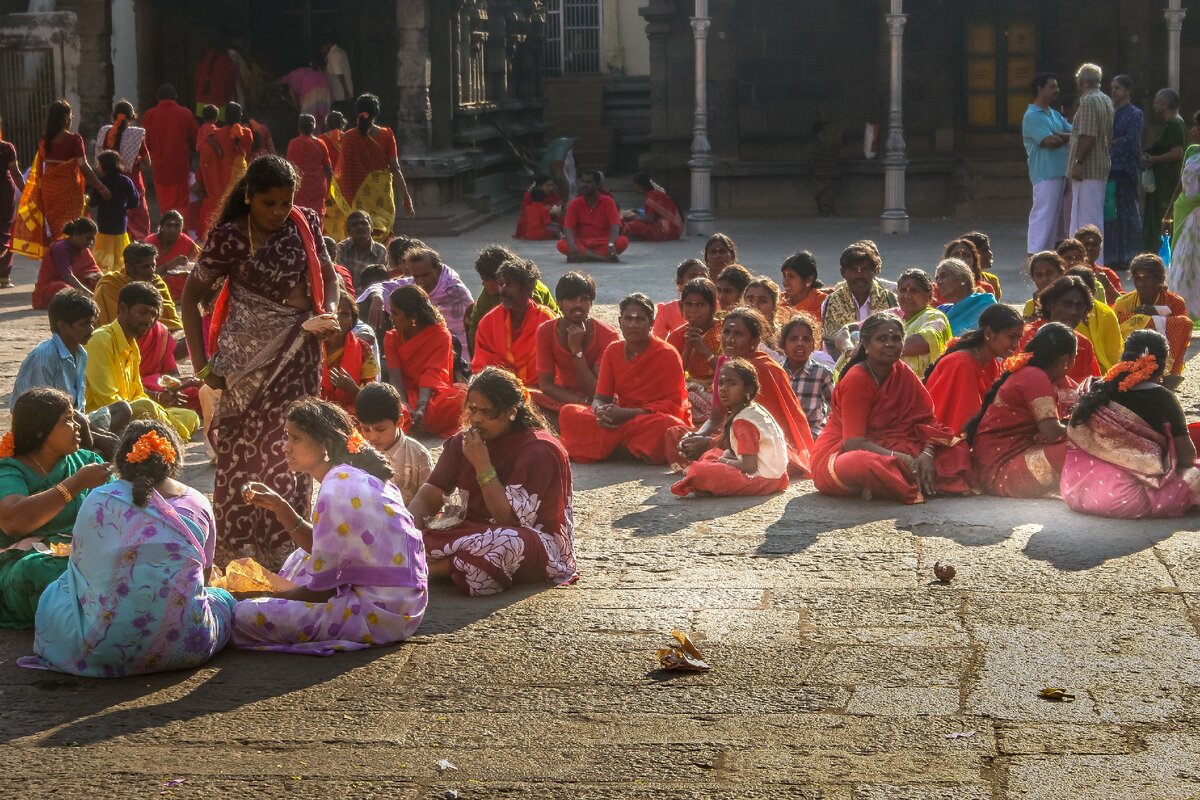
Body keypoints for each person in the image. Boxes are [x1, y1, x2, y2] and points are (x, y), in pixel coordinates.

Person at [182, 155, 340, 569]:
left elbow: (328, 271)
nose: (278, 212)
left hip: (299, 356)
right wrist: (204, 369)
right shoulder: (231, 238)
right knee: (242, 457)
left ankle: (288, 552)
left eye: (285, 202)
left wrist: (333, 310)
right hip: (244, 365)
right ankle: (237, 552)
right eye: (269, 203)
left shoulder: (305, 222)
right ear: (249, 197)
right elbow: (190, 297)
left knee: (294, 449)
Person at [21, 421, 235, 676]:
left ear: (123, 459)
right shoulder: (199, 502)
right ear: (173, 458)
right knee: (226, 600)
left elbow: (81, 574)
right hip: (190, 648)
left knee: (55, 594)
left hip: (104, 650)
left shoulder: (100, 498)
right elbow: (205, 579)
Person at [233, 399, 427, 653]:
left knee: (242, 615)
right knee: (300, 556)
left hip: (380, 616)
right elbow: (322, 549)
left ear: (324, 445)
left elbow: (320, 593)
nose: (285, 447)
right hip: (405, 607)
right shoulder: (348, 474)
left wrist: (255, 598)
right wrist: (281, 507)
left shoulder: (336, 489)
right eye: (286, 437)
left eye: (296, 438)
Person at [409, 368, 576, 596]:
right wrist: (406, 530)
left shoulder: (540, 450)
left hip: (528, 541)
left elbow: (508, 519)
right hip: (473, 533)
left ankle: (430, 570)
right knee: (413, 534)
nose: (477, 418)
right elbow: (431, 493)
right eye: (473, 409)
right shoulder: (463, 441)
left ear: (511, 412)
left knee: (504, 544)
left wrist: (482, 465)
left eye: (489, 413)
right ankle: (450, 563)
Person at [810, 313, 973, 504]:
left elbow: (927, 422)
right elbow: (854, 442)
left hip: (898, 443)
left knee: (957, 448)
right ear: (866, 345)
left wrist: (927, 453)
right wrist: (906, 460)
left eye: (896, 339)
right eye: (882, 339)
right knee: (865, 464)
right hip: (844, 452)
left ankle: (886, 484)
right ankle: (899, 480)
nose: (890, 344)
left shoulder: (903, 372)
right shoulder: (857, 379)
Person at [0, 388, 112, 629]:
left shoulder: (85, 462)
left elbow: (117, 511)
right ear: (41, 429)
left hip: (85, 555)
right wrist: (75, 484)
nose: (78, 425)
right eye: (68, 420)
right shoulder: (11, 470)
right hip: (27, 563)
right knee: (36, 571)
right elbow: (13, 520)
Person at [1062, 331, 1200, 518]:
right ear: (1162, 366)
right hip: (1125, 500)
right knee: (1195, 473)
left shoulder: (1094, 388)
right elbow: (1186, 458)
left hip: (1075, 491)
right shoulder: (1163, 398)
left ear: (1123, 358)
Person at [675, 307, 814, 475]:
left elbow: (760, 429)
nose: (729, 340)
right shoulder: (724, 363)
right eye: (726, 332)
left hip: (763, 445)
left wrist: (709, 443)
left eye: (738, 335)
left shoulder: (763, 369)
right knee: (675, 435)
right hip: (734, 436)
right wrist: (697, 437)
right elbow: (715, 418)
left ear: (754, 342)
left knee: (710, 459)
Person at [559, 294, 690, 464]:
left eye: (640, 319)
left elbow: (674, 406)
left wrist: (627, 414)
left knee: (666, 425)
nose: (633, 325)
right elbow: (600, 398)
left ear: (651, 322)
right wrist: (600, 412)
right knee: (569, 412)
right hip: (619, 417)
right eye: (628, 318)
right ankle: (630, 448)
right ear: (620, 321)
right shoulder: (613, 351)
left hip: (649, 417)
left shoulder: (667, 353)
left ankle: (613, 447)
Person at [12, 289, 131, 458]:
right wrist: (98, 438)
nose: (91, 329)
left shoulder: (81, 353)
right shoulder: (44, 357)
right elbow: (43, 413)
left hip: (72, 420)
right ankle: (86, 459)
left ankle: (92, 452)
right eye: (84, 324)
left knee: (122, 409)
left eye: (92, 323)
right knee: (82, 423)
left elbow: (78, 410)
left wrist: (98, 433)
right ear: (62, 326)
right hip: (40, 429)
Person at [968, 322, 1079, 498]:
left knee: (1079, 440)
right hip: (1000, 470)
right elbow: (1052, 432)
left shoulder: (1045, 377)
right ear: (1066, 359)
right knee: (1080, 447)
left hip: (1007, 460)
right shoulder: (1034, 376)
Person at [85, 281, 199, 441]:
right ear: (122, 309)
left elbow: (137, 392)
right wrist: (153, 408)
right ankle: (168, 433)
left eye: (153, 315)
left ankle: (163, 431)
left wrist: (159, 400)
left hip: (132, 409)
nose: (149, 320)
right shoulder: (101, 340)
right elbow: (106, 399)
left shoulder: (132, 344)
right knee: (146, 407)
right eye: (143, 312)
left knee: (190, 416)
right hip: (105, 415)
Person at [671, 358, 789, 498]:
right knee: (712, 454)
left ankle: (702, 480)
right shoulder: (753, 409)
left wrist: (723, 461)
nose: (723, 389)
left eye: (732, 384)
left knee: (699, 471)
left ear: (748, 390)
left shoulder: (744, 422)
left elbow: (749, 466)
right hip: (778, 475)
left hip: (764, 479)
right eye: (720, 383)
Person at [11, 100, 109, 262]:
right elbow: (83, 167)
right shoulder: (74, 140)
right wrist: (101, 187)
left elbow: (43, 166)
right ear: (65, 118)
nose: (72, 118)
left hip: (49, 193)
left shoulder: (45, 141)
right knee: (74, 230)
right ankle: (70, 263)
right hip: (69, 193)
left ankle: (57, 262)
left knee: (57, 230)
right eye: (70, 115)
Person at [924, 304, 1025, 433]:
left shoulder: (991, 363)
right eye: (1011, 337)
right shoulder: (962, 364)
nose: (1016, 345)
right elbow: (965, 422)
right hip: (944, 439)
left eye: (1018, 338)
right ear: (989, 333)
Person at [326, 93, 414, 241]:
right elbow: (395, 168)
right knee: (382, 229)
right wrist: (406, 197)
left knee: (358, 230)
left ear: (357, 112)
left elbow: (344, 172)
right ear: (376, 112)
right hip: (382, 192)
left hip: (356, 194)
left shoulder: (348, 137)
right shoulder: (387, 135)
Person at [384, 285, 467, 436]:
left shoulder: (441, 335)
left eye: (395, 313)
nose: (390, 318)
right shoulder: (391, 337)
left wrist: (421, 408)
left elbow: (432, 376)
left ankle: (412, 424)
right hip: (405, 394)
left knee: (463, 395)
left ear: (413, 317)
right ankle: (416, 423)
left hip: (433, 396)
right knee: (385, 402)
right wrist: (405, 406)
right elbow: (395, 378)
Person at [535, 272, 619, 413]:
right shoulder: (546, 331)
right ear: (559, 303)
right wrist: (580, 402)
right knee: (530, 397)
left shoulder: (608, 335)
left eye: (584, 299)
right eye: (571, 299)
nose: (578, 305)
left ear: (591, 303)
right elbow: (546, 385)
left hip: (600, 402)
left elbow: (598, 392)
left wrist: (577, 350)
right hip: (566, 398)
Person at [471, 257, 559, 387]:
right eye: (501, 284)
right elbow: (482, 365)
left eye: (509, 284)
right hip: (500, 390)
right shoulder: (489, 321)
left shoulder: (547, 320)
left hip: (541, 390)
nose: (503, 290)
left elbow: (558, 367)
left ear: (527, 288)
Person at [1113, 253, 1192, 390]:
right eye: (1138, 279)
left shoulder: (1175, 302)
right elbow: (1116, 329)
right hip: (1132, 354)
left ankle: (1167, 375)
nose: (1142, 284)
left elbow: (1181, 331)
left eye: (1147, 278)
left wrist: (1153, 313)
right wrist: (1145, 318)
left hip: (1163, 351)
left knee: (1184, 322)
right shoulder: (1123, 303)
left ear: (1159, 280)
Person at [465, 245, 559, 354]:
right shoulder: (487, 300)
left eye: (485, 279)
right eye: (501, 285)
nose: (483, 283)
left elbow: (544, 343)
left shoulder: (533, 298)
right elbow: (476, 335)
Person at [355, 382, 433, 504]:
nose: (372, 437)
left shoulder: (418, 455)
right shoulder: (357, 454)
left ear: (400, 421)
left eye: (380, 429)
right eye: (365, 429)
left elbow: (429, 501)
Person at [1022, 72, 1072, 254]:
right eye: (1052, 87)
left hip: (1060, 171)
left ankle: (1048, 253)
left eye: (1057, 86)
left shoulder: (1053, 114)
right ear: (1039, 89)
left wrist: (1060, 135)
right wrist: (1061, 137)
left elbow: (1073, 134)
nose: (1056, 90)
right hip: (1045, 172)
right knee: (1043, 214)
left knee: (1055, 217)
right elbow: (1049, 142)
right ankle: (1035, 253)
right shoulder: (1032, 116)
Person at [821, 241, 897, 354]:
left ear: (874, 271)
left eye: (864, 269)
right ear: (843, 273)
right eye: (853, 270)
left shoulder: (889, 299)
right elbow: (831, 343)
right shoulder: (831, 302)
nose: (859, 275)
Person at [1022, 275, 1101, 382]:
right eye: (1066, 304)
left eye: (1079, 306)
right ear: (1050, 304)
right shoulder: (1028, 337)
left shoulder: (1084, 344)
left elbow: (1092, 388)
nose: (1073, 312)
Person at [665, 277, 722, 423]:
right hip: (691, 388)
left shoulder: (725, 330)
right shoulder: (677, 336)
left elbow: (728, 371)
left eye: (700, 305)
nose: (693, 311)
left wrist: (702, 349)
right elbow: (673, 376)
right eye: (689, 305)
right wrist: (688, 348)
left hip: (720, 388)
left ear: (712, 307)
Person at [94, 240, 182, 332]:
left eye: (153, 266)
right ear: (129, 268)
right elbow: (114, 324)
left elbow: (173, 322)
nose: (151, 271)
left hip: (161, 336)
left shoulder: (157, 283)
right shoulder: (110, 285)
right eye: (145, 267)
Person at [1067, 63, 1114, 234]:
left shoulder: (1088, 101)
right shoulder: (1106, 99)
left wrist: (1078, 162)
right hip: (1100, 164)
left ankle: (1085, 258)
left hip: (1087, 168)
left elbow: (1088, 136)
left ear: (1081, 82)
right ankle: (1094, 258)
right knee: (1094, 217)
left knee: (1084, 221)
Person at [94, 101, 151, 241]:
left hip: (110, 183)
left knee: (115, 215)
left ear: (114, 116)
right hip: (133, 182)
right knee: (139, 219)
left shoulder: (104, 132)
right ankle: (138, 248)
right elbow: (147, 162)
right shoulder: (136, 135)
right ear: (132, 117)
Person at [196, 102, 252, 241]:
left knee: (221, 206)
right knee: (241, 205)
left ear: (224, 116)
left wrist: (202, 178)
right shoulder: (247, 134)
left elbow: (204, 155)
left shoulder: (216, 135)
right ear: (240, 116)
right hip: (241, 172)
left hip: (222, 175)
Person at [141, 84, 198, 217]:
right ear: (176, 97)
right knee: (182, 204)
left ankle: (167, 232)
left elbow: (144, 143)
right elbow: (197, 139)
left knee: (165, 205)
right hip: (181, 167)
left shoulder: (149, 115)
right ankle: (181, 233)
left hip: (160, 168)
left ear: (157, 97)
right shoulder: (185, 113)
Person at [1105, 75, 1144, 269]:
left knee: (1128, 214)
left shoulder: (1135, 113)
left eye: (1118, 88)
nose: (1114, 91)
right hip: (1110, 171)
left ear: (1127, 91)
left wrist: (1113, 144)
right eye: (1112, 88)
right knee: (1111, 214)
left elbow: (1131, 140)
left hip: (1126, 171)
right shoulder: (1109, 112)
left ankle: (1130, 256)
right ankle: (1112, 257)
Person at [1143, 88, 1187, 253]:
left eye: (1156, 101)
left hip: (1167, 178)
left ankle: (1161, 250)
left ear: (1166, 104)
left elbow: (1177, 152)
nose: (1154, 105)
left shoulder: (1174, 123)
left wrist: (1154, 159)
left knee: (1163, 214)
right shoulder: (1173, 122)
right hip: (1161, 177)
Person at [1165, 110, 1200, 317]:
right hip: (1185, 213)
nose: (1193, 130)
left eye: (1197, 126)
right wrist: (1168, 212)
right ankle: (1185, 310)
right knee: (1183, 263)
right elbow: (1180, 184)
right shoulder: (1192, 152)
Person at [320, 291, 379, 414]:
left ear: (353, 320)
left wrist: (353, 389)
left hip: (351, 414)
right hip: (315, 413)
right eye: (333, 313)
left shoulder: (363, 349)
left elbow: (373, 398)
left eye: (345, 314)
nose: (338, 319)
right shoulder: (310, 346)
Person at [779, 313, 832, 438]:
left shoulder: (821, 373)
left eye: (806, 339)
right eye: (793, 339)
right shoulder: (777, 372)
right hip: (781, 435)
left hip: (812, 434)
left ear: (814, 344)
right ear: (783, 344)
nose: (800, 344)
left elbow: (836, 407)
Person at [557, 170, 628, 261]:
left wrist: (611, 244)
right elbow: (568, 227)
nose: (584, 185)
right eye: (583, 181)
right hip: (582, 242)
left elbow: (615, 225)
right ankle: (602, 258)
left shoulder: (608, 201)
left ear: (598, 185)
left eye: (589, 182)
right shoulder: (575, 203)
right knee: (561, 244)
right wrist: (571, 244)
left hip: (604, 242)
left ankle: (584, 256)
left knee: (623, 241)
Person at [87, 150, 140, 273]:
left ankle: (104, 273)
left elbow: (94, 202)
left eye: (99, 164)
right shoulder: (126, 181)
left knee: (104, 249)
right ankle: (121, 272)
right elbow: (135, 201)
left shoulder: (102, 183)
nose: (97, 167)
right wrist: (123, 207)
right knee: (119, 250)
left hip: (104, 221)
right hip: (120, 221)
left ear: (104, 165)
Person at [1064, 264, 1123, 373]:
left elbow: (1115, 355)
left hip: (1107, 374)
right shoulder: (1060, 314)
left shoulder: (1106, 314)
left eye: (1083, 292)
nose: (1077, 297)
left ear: (1093, 292)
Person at [892, 268, 951, 376]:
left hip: (924, 386)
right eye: (903, 290)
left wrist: (880, 348)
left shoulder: (935, 317)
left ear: (929, 296)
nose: (907, 296)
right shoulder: (893, 316)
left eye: (914, 291)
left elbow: (922, 343)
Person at [32, 218, 101, 309]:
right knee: (63, 288)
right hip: (49, 290)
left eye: (93, 239)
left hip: (76, 285)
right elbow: (67, 276)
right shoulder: (60, 248)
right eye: (88, 238)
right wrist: (90, 295)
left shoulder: (84, 248)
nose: (91, 242)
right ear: (76, 235)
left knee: (101, 282)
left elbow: (94, 271)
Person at [146, 210, 200, 303]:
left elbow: (200, 266)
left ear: (182, 228)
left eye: (177, 226)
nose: (172, 229)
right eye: (168, 225)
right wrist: (168, 266)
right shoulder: (150, 243)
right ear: (161, 227)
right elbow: (145, 274)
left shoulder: (188, 243)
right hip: (153, 286)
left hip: (180, 292)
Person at [934, 257, 996, 335]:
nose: (938, 282)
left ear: (963, 279)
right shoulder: (942, 311)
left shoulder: (985, 303)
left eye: (943, 276)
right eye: (937, 279)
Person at [287, 114, 334, 213]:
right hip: (318, 186)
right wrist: (330, 192)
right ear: (314, 127)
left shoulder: (293, 143)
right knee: (317, 216)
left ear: (298, 128)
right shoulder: (320, 143)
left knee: (301, 216)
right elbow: (328, 170)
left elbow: (288, 167)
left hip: (300, 187)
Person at [653, 258, 708, 339]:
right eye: (693, 276)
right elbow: (657, 342)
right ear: (680, 283)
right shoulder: (666, 311)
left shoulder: (717, 306)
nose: (698, 280)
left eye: (703, 276)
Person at [0, 116, 26, 288]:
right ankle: (3, 277)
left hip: (5, 193)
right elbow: (16, 173)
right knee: (5, 231)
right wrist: (27, 193)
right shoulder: (6, 148)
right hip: (4, 192)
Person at [621, 172, 682, 242]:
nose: (634, 188)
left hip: (668, 231)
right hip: (676, 230)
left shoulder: (652, 197)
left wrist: (631, 217)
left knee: (632, 225)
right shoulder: (656, 193)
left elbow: (650, 219)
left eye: (635, 185)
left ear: (641, 186)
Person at [334, 209, 387, 288]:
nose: (360, 227)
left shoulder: (381, 251)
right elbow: (338, 279)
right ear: (348, 231)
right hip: (347, 296)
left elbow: (383, 281)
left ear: (371, 228)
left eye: (364, 223)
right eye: (355, 224)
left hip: (372, 297)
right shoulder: (341, 248)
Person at [1074, 224, 1124, 304]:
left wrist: (1107, 285)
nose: (1090, 248)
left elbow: (1124, 305)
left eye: (1094, 244)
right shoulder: (1068, 272)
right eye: (1086, 244)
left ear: (1100, 249)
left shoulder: (1107, 274)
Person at [780, 250, 828, 324]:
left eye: (791, 276)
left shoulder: (824, 304)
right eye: (784, 275)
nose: (785, 281)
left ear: (809, 280)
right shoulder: (778, 300)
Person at [193, 40, 238, 117]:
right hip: (220, 102)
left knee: (203, 126)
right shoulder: (227, 60)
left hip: (202, 100)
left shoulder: (203, 58)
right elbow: (230, 82)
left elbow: (197, 78)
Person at [959, 231, 1004, 301]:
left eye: (989, 249)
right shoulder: (956, 283)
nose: (990, 254)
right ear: (972, 255)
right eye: (984, 250)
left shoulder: (992, 280)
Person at [322, 40, 355, 115]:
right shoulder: (340, 51)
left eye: (323, 48)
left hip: (339, 94)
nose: (322, 51)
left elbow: (339, 74)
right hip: (342, 93)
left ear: (328, 45)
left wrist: (346, 91)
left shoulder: (333, 55)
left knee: (340, 116)